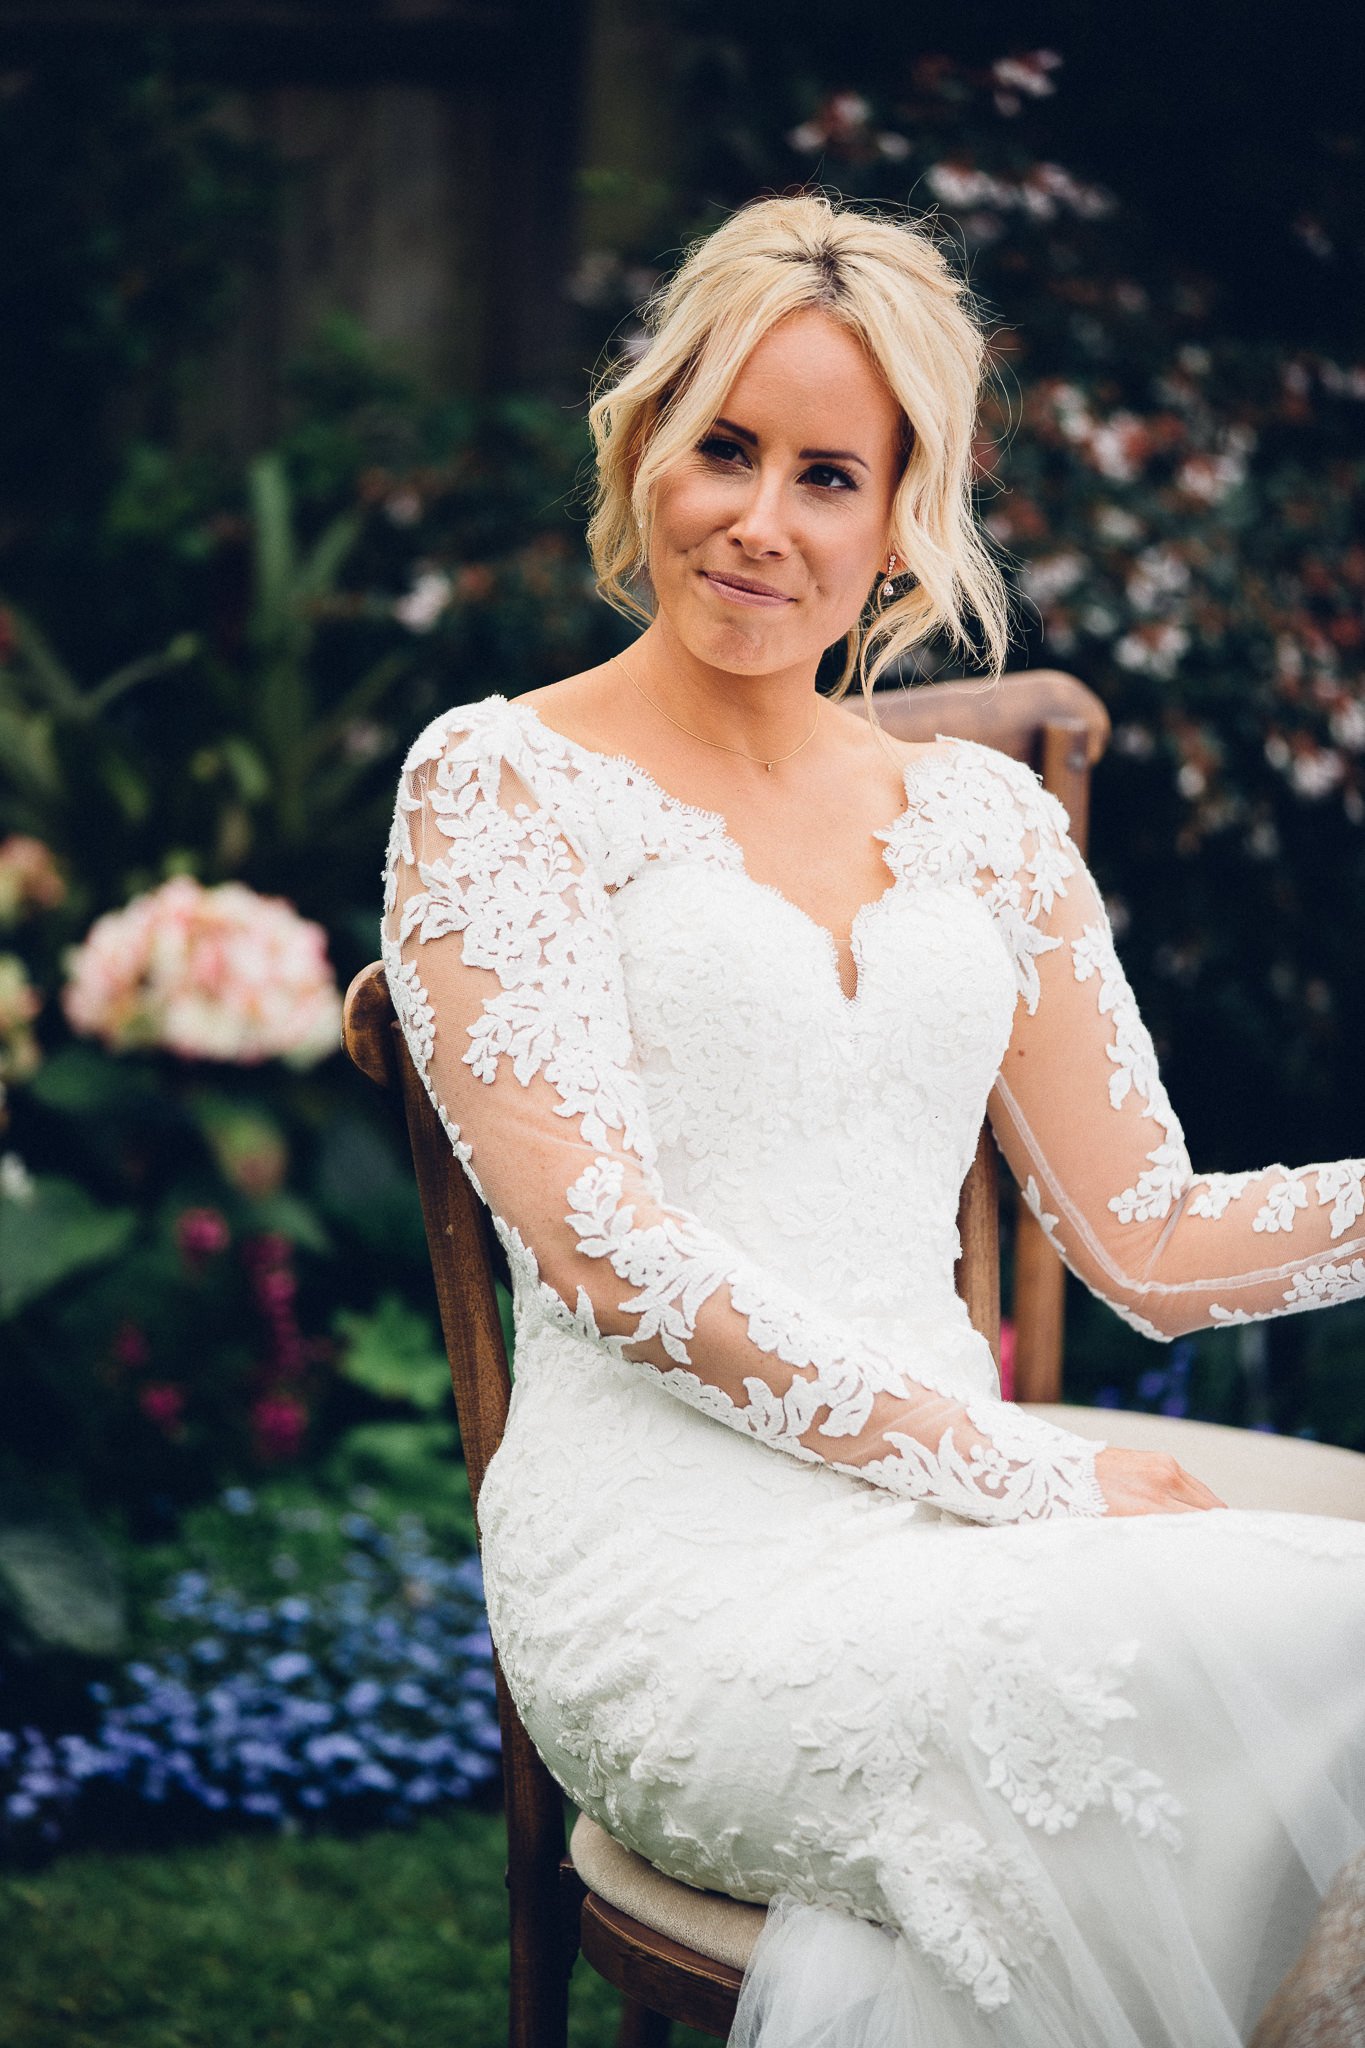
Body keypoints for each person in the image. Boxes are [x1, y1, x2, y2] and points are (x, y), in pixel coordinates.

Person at [382, 193, 1365, 2046]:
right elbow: (602, 1258)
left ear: (901, 519)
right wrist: (1018, 1465)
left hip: (958, 1540)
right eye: (724, 449)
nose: (761, 520)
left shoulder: (984, 824)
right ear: (645, 445)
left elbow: (1147, 1240)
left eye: (827, 473)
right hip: (677, 1573)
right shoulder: (499, 781)